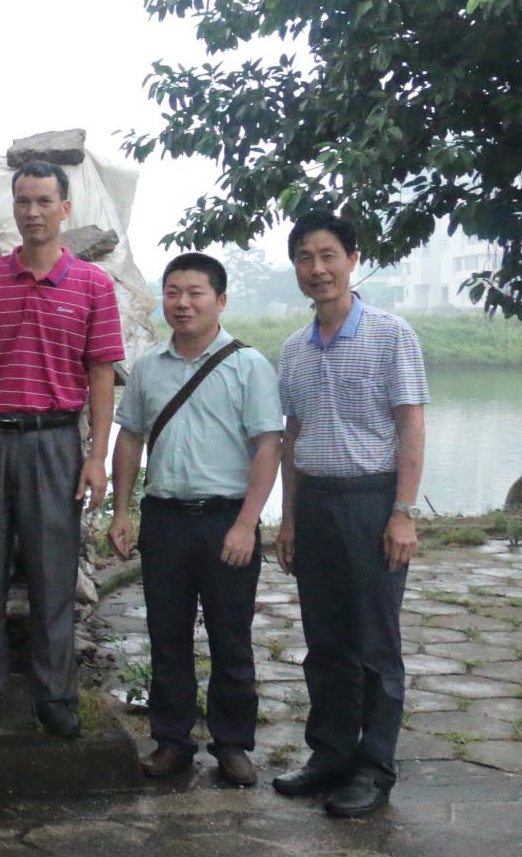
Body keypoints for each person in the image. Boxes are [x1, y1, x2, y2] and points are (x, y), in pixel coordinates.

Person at [0, 160, 124, 737]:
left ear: (65, 209)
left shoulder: (93, 285)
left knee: (53, 573)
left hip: (56, 441)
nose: (33, 212)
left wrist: (96, 457)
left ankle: (54, 695)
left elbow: (101, 373)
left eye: (44, 201)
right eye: (23, 201)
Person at [271, 210, 428, 819]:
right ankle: (330, 754)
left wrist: (402, 512)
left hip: (371, 502)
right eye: (305, 258)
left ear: (352, 260)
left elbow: (410, 425)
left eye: (328, 255)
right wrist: (288, 519)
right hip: (315, 504)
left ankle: (374, 768)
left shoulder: (391, 335)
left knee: (374, 645)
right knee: (325, 641)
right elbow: (292, 435)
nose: (317, 269)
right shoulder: (294, 349)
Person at [108, 252, 282, 787]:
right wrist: (122, 510)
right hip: (165, 518)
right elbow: (130, 437)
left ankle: (233, 744)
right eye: (172, 292)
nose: (182, 303)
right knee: (167, 634)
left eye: (195, 293)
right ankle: (172, 741)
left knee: (231, 635)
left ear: (220, 300)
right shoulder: (147, 367)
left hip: (226, 517)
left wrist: (246, 523)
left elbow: (268, 446)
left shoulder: (248, 365)